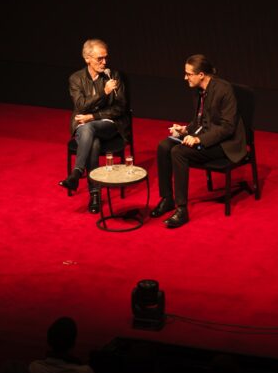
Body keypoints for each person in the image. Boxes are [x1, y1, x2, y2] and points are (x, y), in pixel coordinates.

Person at [151, 53, 247, 229]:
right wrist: (185, 130)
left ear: (201, 74)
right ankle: (167, 198)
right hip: (207, 136)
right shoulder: (198, 91)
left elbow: (227, 127)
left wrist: (198, 138)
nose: (185, 77)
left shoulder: (223, 90)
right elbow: (200, 120)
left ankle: (182, 210)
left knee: (178, 152)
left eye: (188, 74)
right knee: (164, 145)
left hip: (226, 144)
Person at [65, 36, 130, 198]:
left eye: (105, 57)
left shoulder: (113, 76)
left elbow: (120, 108)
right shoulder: (76, 79)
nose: (104, 62)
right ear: (87, 59)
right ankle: (95, 194)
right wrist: (103, 93)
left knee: (89, 126)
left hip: (108, 124)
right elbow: (80, 106)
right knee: (93, 142)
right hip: (83, 125)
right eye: (99, 59)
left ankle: (77, 172)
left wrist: (93, 116)